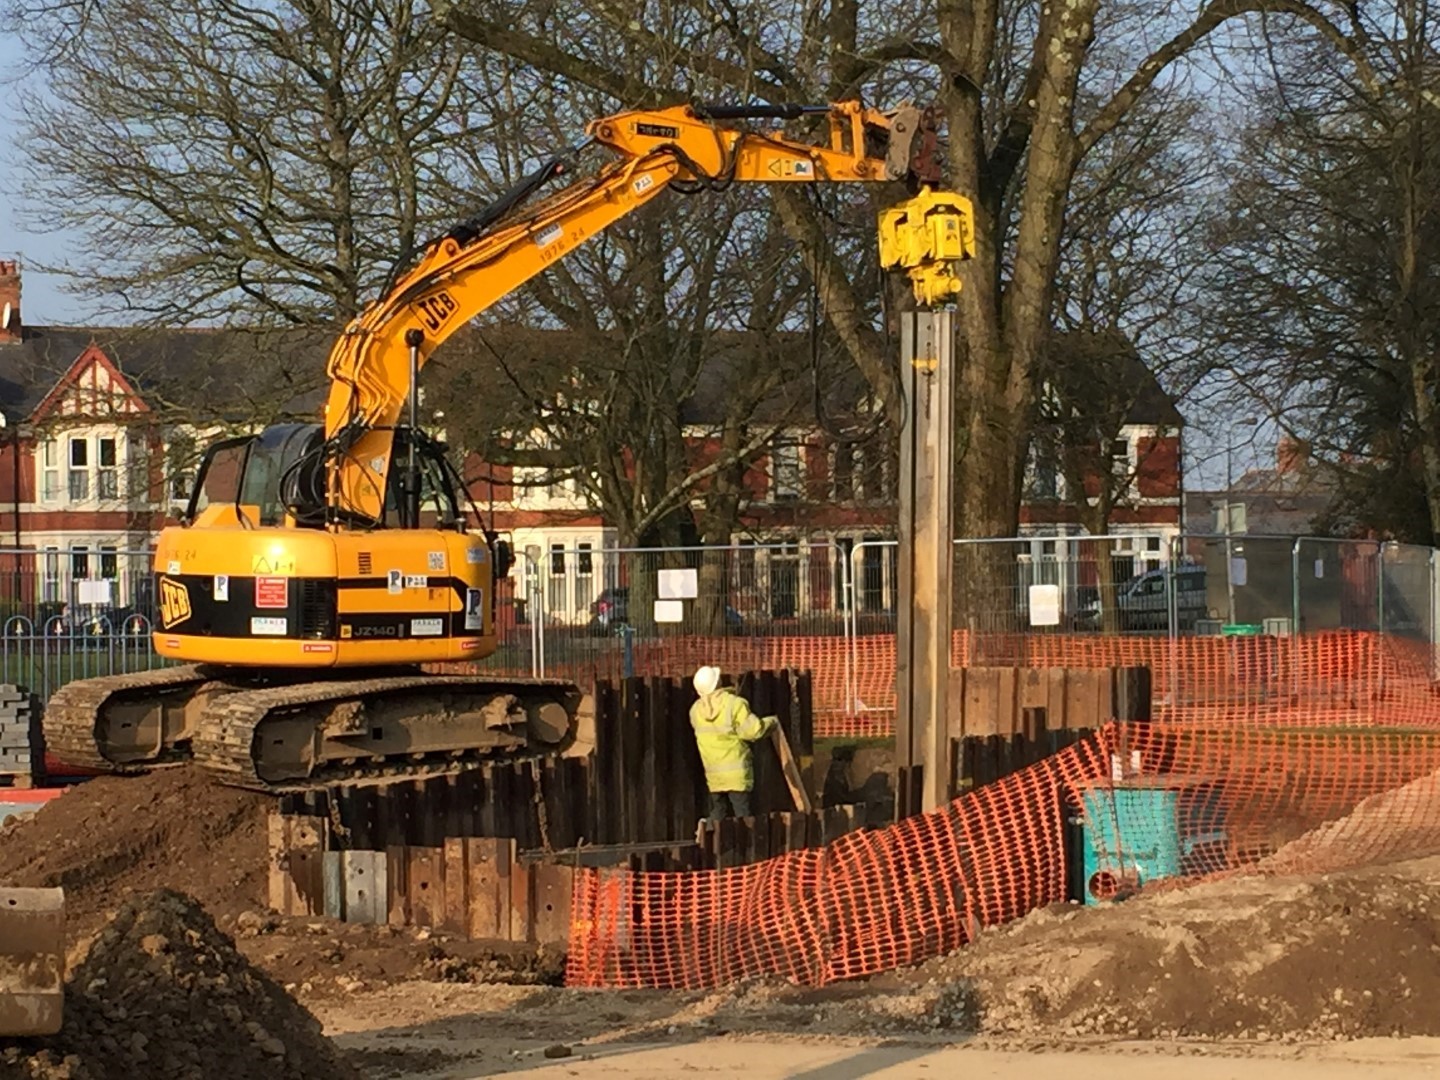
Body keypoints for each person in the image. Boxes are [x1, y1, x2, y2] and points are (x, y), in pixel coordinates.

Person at [689, 665, 777, 821]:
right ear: (718, 682)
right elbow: (753, 731)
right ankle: (747, 844)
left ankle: (708, 838)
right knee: (743, 817)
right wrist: (771, 722)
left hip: (714, 776)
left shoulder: (695, 711)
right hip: (737, 775)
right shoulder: (735, 704)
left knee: (719, 814)